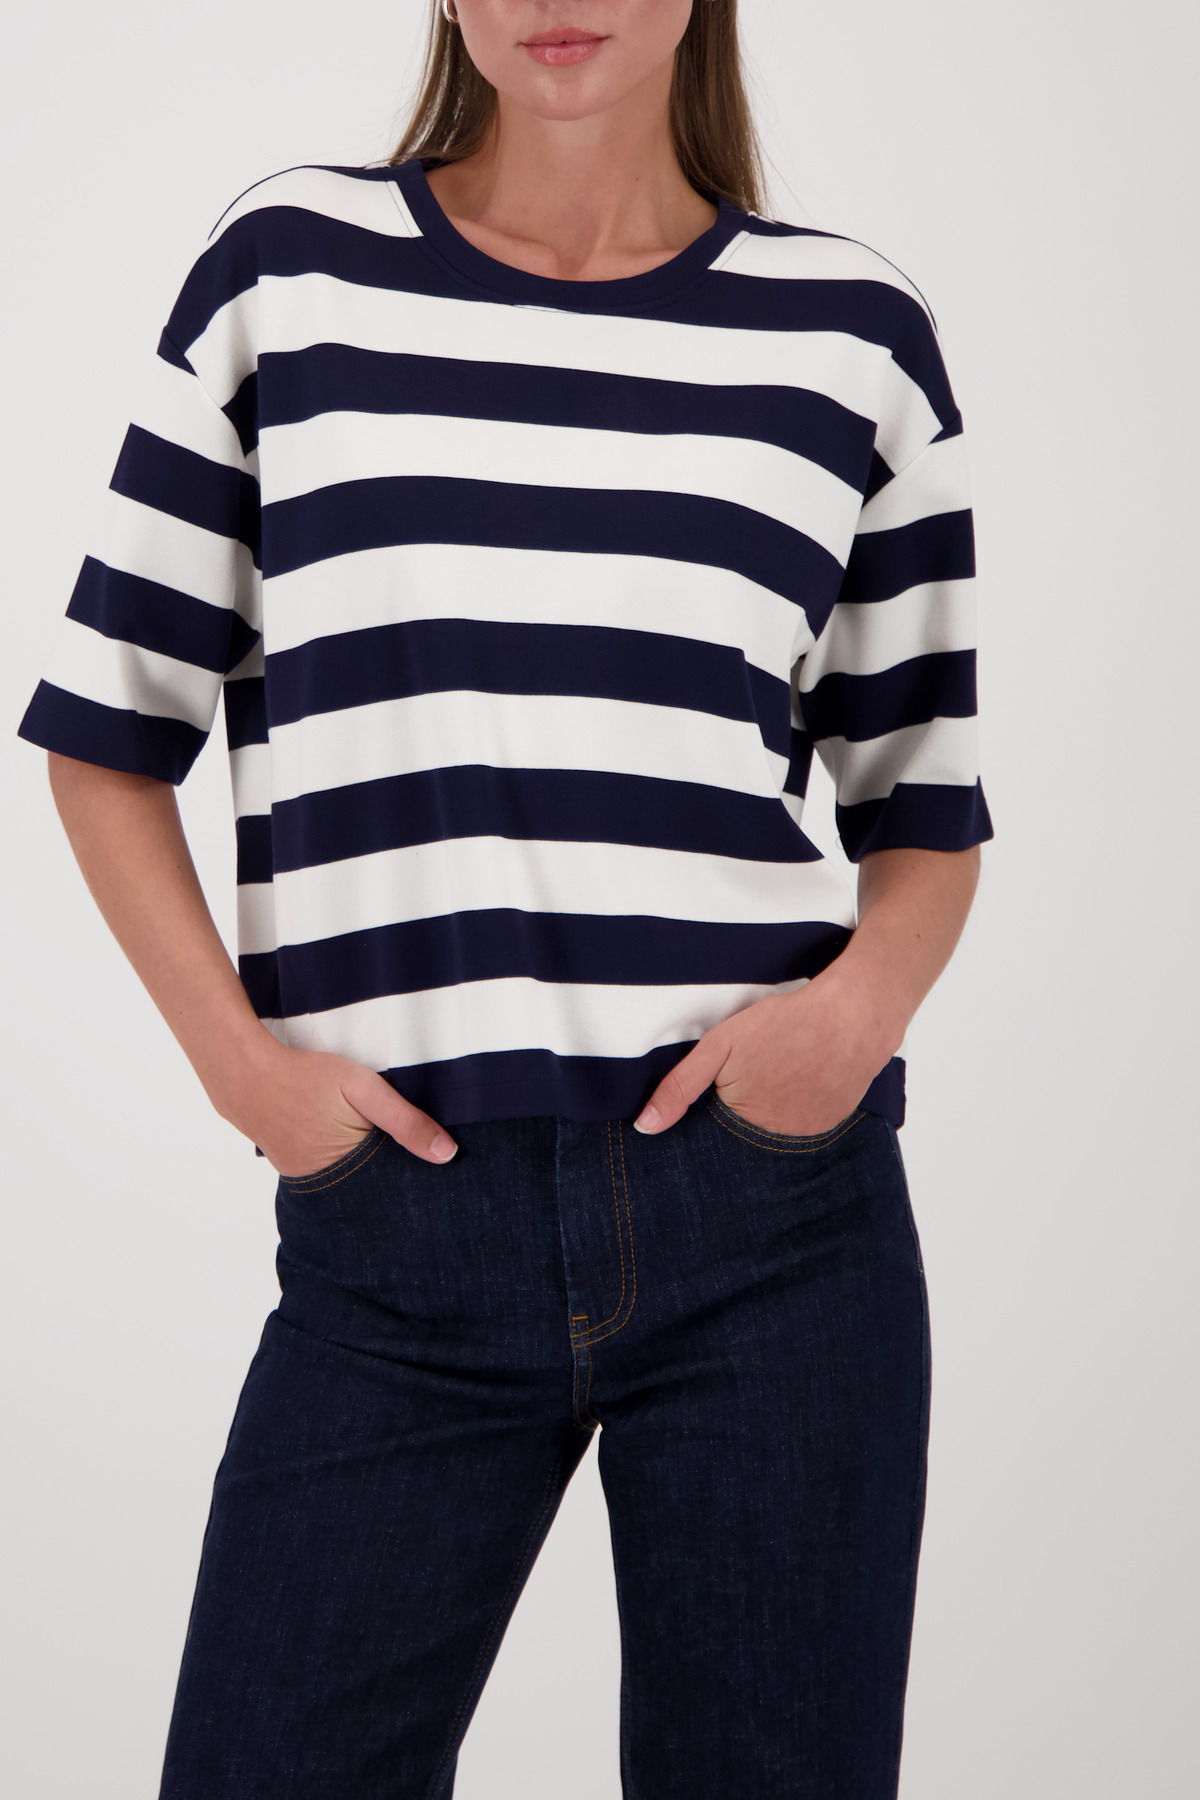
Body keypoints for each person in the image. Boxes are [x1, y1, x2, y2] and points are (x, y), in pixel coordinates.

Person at [16, 2, 993, 1794]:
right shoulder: (285, 279)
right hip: (396, 1230)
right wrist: (245, 1074)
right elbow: (104, 735)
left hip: (775, 1227)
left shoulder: (852, 335)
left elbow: (925, 805)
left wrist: (850, 1024)